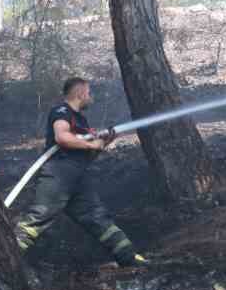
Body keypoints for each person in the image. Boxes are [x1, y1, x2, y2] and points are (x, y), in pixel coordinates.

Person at [16, 76, 146, 271]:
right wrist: (89, 143)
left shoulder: (81, 120)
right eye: (89, 93)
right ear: (80, 93)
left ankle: (129, 258)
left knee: (98, 218)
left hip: (78, 177)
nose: (90, 97)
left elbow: (87, 153)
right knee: (39, 216)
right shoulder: (62, 111)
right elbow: (62, 137)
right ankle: (5, 258)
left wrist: (105, 141)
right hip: (59, 175)